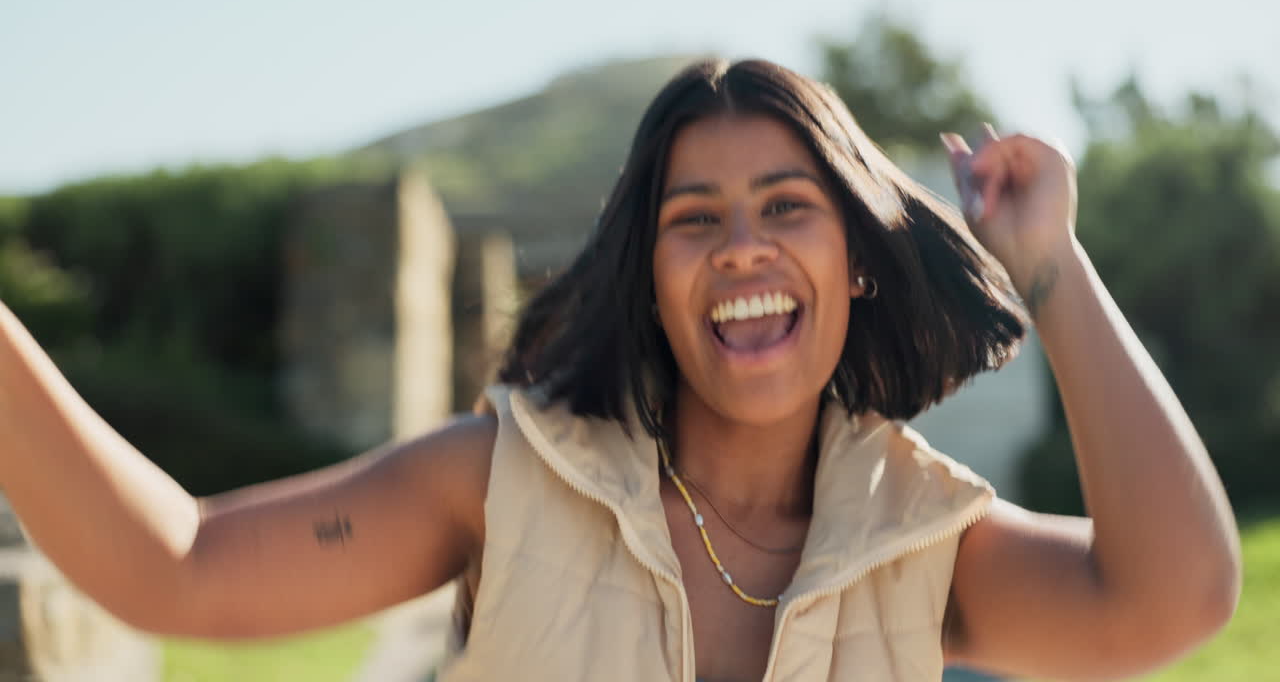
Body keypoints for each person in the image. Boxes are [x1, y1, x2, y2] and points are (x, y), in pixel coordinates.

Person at [0, 59, 1240, 681]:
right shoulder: (501, 479)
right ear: (647, 279)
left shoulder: (921, 536)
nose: (741, 246)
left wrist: (1048, 267)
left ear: (856, 260)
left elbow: (1172, 598)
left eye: (785, 206)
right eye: (693, 219)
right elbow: (177, 567)